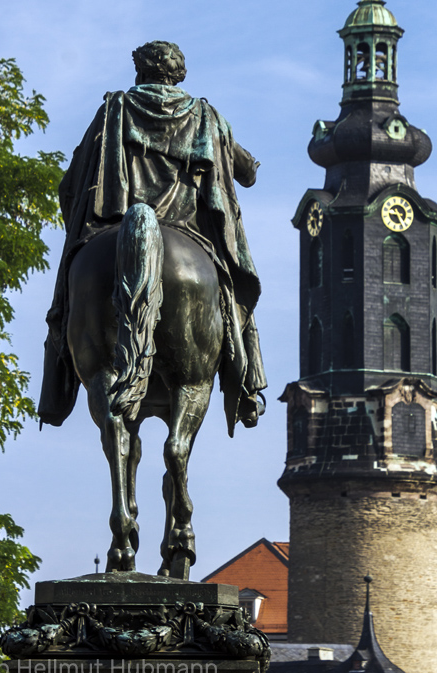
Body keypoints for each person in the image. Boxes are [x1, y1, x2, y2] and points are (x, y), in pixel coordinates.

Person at [39, 40, 266, 435]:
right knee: (232, 294)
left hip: (112, 228)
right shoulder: (207, 117)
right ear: (179, 75)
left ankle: (54, 388)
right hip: (190, 239)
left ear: (140, 72)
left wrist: (82, 240)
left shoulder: (114, 110)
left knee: (65, 302)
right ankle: (247, 386)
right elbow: (247, 173)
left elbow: (69, 186)